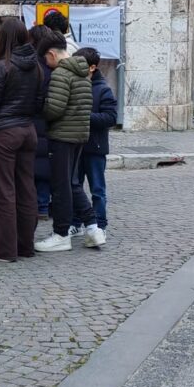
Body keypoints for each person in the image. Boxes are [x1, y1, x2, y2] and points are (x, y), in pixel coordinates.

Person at [0, 17, 42, 263]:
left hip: (4, 132)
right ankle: (25, 245)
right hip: (28, 130)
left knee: (3, 191)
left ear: (4, 38)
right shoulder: (36, 67)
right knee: (26, 188)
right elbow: (39, 103)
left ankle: (4, 249)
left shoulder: (2, 66)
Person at [37, 34, 95, 252]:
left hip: (61, 136)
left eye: (46, 58)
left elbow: (55, 109)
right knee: (71, 183)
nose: (46, 63)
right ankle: (93, 226)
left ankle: (61, 234)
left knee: (60, 186)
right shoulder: (82, 72)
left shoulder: (60, 74)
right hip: (79, 135)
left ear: (52, 54)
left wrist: (41, 108)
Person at [75, 47, 116, 246]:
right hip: (76, 146)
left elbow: (110, 117)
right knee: (75, 187)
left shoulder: (103, 89)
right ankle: (75, 223)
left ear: (92, 67)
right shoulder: (75, 85)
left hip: (95, 148)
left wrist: (85, 117)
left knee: (97, 190)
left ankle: (100, 225)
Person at [28, 23, 55, 222]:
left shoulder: (31, 66)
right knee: (45, 164)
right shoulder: (52, 68)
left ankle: (35, 204)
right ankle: (43, 204)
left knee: (32, 164)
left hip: (32, 118)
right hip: (48, 120)